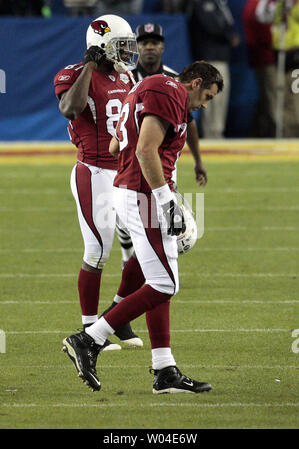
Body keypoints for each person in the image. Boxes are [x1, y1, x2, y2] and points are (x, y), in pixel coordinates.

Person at [62, 60, 223, 393]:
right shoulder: (168, 90)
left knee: (158, 279)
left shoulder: (146, 88)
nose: (205, 105)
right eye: (207, 96)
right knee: (165, 285)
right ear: (194, 83)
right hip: (144, 195)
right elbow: (145, 149)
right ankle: (90, 338)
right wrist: (167, 202)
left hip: (136, 190)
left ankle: (165, 370)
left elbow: (114, 145)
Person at [54, 15, 143, 351]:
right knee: (98, 251)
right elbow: (70, 109)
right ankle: (90, 329)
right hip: (94, 173)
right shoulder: (73, 75)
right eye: (120, 46)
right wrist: (89, 68)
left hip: (124, 171)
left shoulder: (127, 74)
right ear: (100, 48)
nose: (126, 52)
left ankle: (116, 316)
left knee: (146, 246)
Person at [115, 23, 208, 265]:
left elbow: (189, 123)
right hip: (129, 163)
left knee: (161, 231)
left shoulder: (174, 79)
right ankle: (135, 265)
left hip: (158, 168)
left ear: (163, 46)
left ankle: (146, 272)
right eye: (144, 42)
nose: (149, 47)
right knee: (131, 226)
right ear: (137, 46)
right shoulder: (125, 77)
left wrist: (198, 160)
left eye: (154, 42)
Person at [186, 0, 240, 139]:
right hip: (210, 57)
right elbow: (210, 26)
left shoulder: (219, 5)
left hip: (220, 57)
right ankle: (211, 132)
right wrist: (229, 36)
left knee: (221, 98)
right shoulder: (201, 4)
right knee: (211, 96)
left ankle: (217, 132)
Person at [256, 0, 299, 137]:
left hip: (297, 56)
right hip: (281, 55)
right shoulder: (278, 4)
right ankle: (288, 134)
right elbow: (261, 16)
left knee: (296, 97)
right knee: (282, 97)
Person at [243, 0, 277, 137]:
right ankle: (279, 133)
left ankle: (258, 132)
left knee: (266, 99)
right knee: (273, 97)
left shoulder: (255, 4)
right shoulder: (256, 5)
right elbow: (262, 33)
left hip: (265, 58)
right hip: (267, 58)